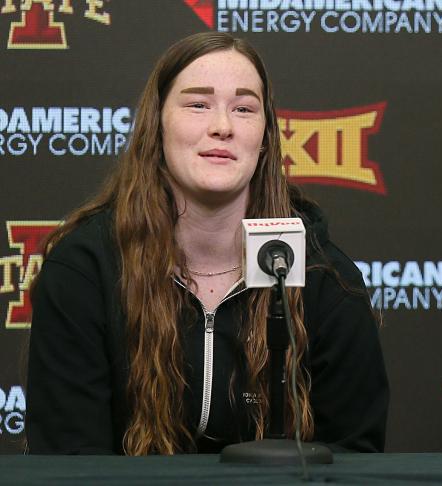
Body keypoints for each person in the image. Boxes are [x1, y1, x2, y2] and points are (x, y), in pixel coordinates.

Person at [26, 32, 389, 455]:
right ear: (156, 125)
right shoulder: (84, 269)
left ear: (266, 136)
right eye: (198, 105)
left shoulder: (325, 277)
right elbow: (71, 461)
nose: (222, 126)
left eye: (244, 108)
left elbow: (354, 459)